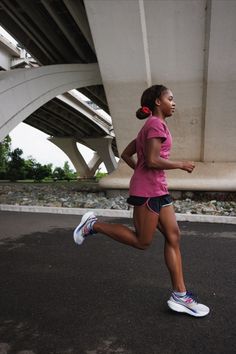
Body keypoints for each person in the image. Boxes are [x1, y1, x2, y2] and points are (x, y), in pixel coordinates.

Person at [73, 85, 210, 318]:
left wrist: (141, 171)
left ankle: (180, 296)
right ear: (158, 101)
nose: (174, 102)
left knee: (174, 236)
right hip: (148, 192)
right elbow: (154, 160)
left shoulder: (149, 126)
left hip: (158, 190)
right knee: (142, 241)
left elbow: (127, 154)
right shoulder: (155, 125)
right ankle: (93, 225)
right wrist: (180, 164)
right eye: (170, 98)